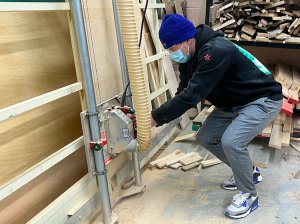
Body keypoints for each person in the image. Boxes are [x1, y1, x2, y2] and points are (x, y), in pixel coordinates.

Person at [150, 14, 282, 219]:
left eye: (173, 49)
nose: (171, 54)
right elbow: (184, 93)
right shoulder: (189, 58)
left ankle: (249, 194)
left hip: (262, 99)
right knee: (205, 137)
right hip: (234, 102)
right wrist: (160, 116)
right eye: (168, 50)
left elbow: (193, 95)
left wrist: (154, 118)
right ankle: (250, 171)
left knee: (231, 141)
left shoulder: (215, 50)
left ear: (187, 40)